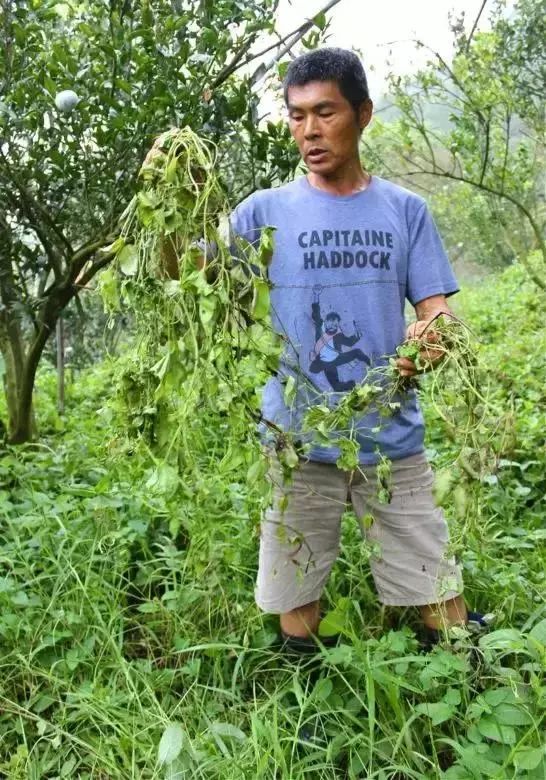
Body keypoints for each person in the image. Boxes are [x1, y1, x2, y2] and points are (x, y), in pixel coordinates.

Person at [228, 47, 491, 652]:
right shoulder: (263, 212)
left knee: (439, 594)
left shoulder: (405, 211)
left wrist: (432, 338)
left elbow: (436, 311)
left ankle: (458, 670)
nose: (309, 131)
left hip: (390, 435)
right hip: (296, 439)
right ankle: (303, 683)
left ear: (363, 113)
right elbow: (193, 276)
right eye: (297, 116)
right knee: (296, 601)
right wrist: (167, 203)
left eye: (325, 112)